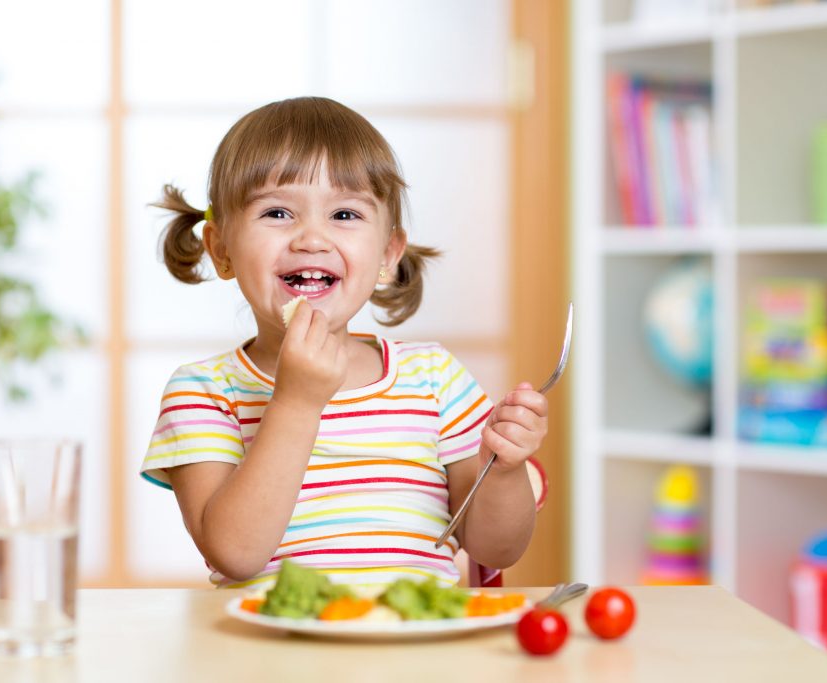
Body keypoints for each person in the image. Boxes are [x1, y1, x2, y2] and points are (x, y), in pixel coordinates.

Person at [140, 97, 548, 590]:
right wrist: (296, 401)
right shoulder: (203, 391)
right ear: (222, 250)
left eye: (346, 215)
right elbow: (235, 554)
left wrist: (505, 470)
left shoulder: (434, 378)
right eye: (276, 212)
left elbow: (495, 549)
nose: (312, 239)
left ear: (387, 254)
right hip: (274, 658)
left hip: (409, 654)